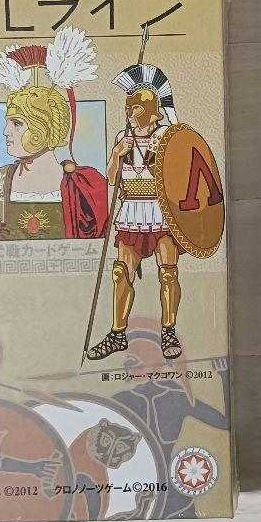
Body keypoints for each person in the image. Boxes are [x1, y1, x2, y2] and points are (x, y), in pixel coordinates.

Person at [87, 64, 185, 361]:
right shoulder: (123, 137)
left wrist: (158, 154)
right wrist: (117, 154)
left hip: (161, 210)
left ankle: (168, 331)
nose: (131, 112)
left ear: (152, 111)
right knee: (120, 273)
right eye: (129, 107)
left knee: (168, 273)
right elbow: (112, 179)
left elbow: (178, 177)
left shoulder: (168, 135)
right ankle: (117, 334)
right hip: (131, 209)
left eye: (137, 107)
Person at [0, 27, 107, 242]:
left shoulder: (84, 185)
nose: (5, 131)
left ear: (43, 130)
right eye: (8, 122)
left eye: (17, 123)